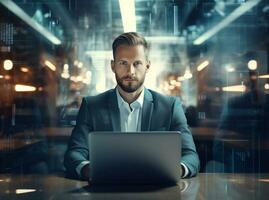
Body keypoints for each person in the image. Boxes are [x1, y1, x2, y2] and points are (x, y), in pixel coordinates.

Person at [64, 32, 199, 180]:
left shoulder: (170, 106)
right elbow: (74, 154)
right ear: (112, 66)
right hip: (106, 191)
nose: (130, 72)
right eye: (123, 63)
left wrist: (174, 170)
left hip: (156, 190)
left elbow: (191, 156)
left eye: (137, 63)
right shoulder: (91, 106)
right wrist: (89, 170)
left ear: (147, 66)